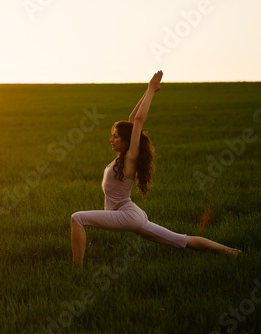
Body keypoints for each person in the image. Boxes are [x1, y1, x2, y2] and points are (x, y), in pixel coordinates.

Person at [71, 71, 242, 267]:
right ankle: (232, 252)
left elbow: (139, 121)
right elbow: (132, 118)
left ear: (126, 141)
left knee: (77, 218)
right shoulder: (121, 158)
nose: (111, 139)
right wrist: (147, 89)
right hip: (132, 214)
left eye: (115, 136)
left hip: (126, 216)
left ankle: (77, 268)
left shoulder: (129, 158)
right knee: (182, 240)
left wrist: (151, 90)